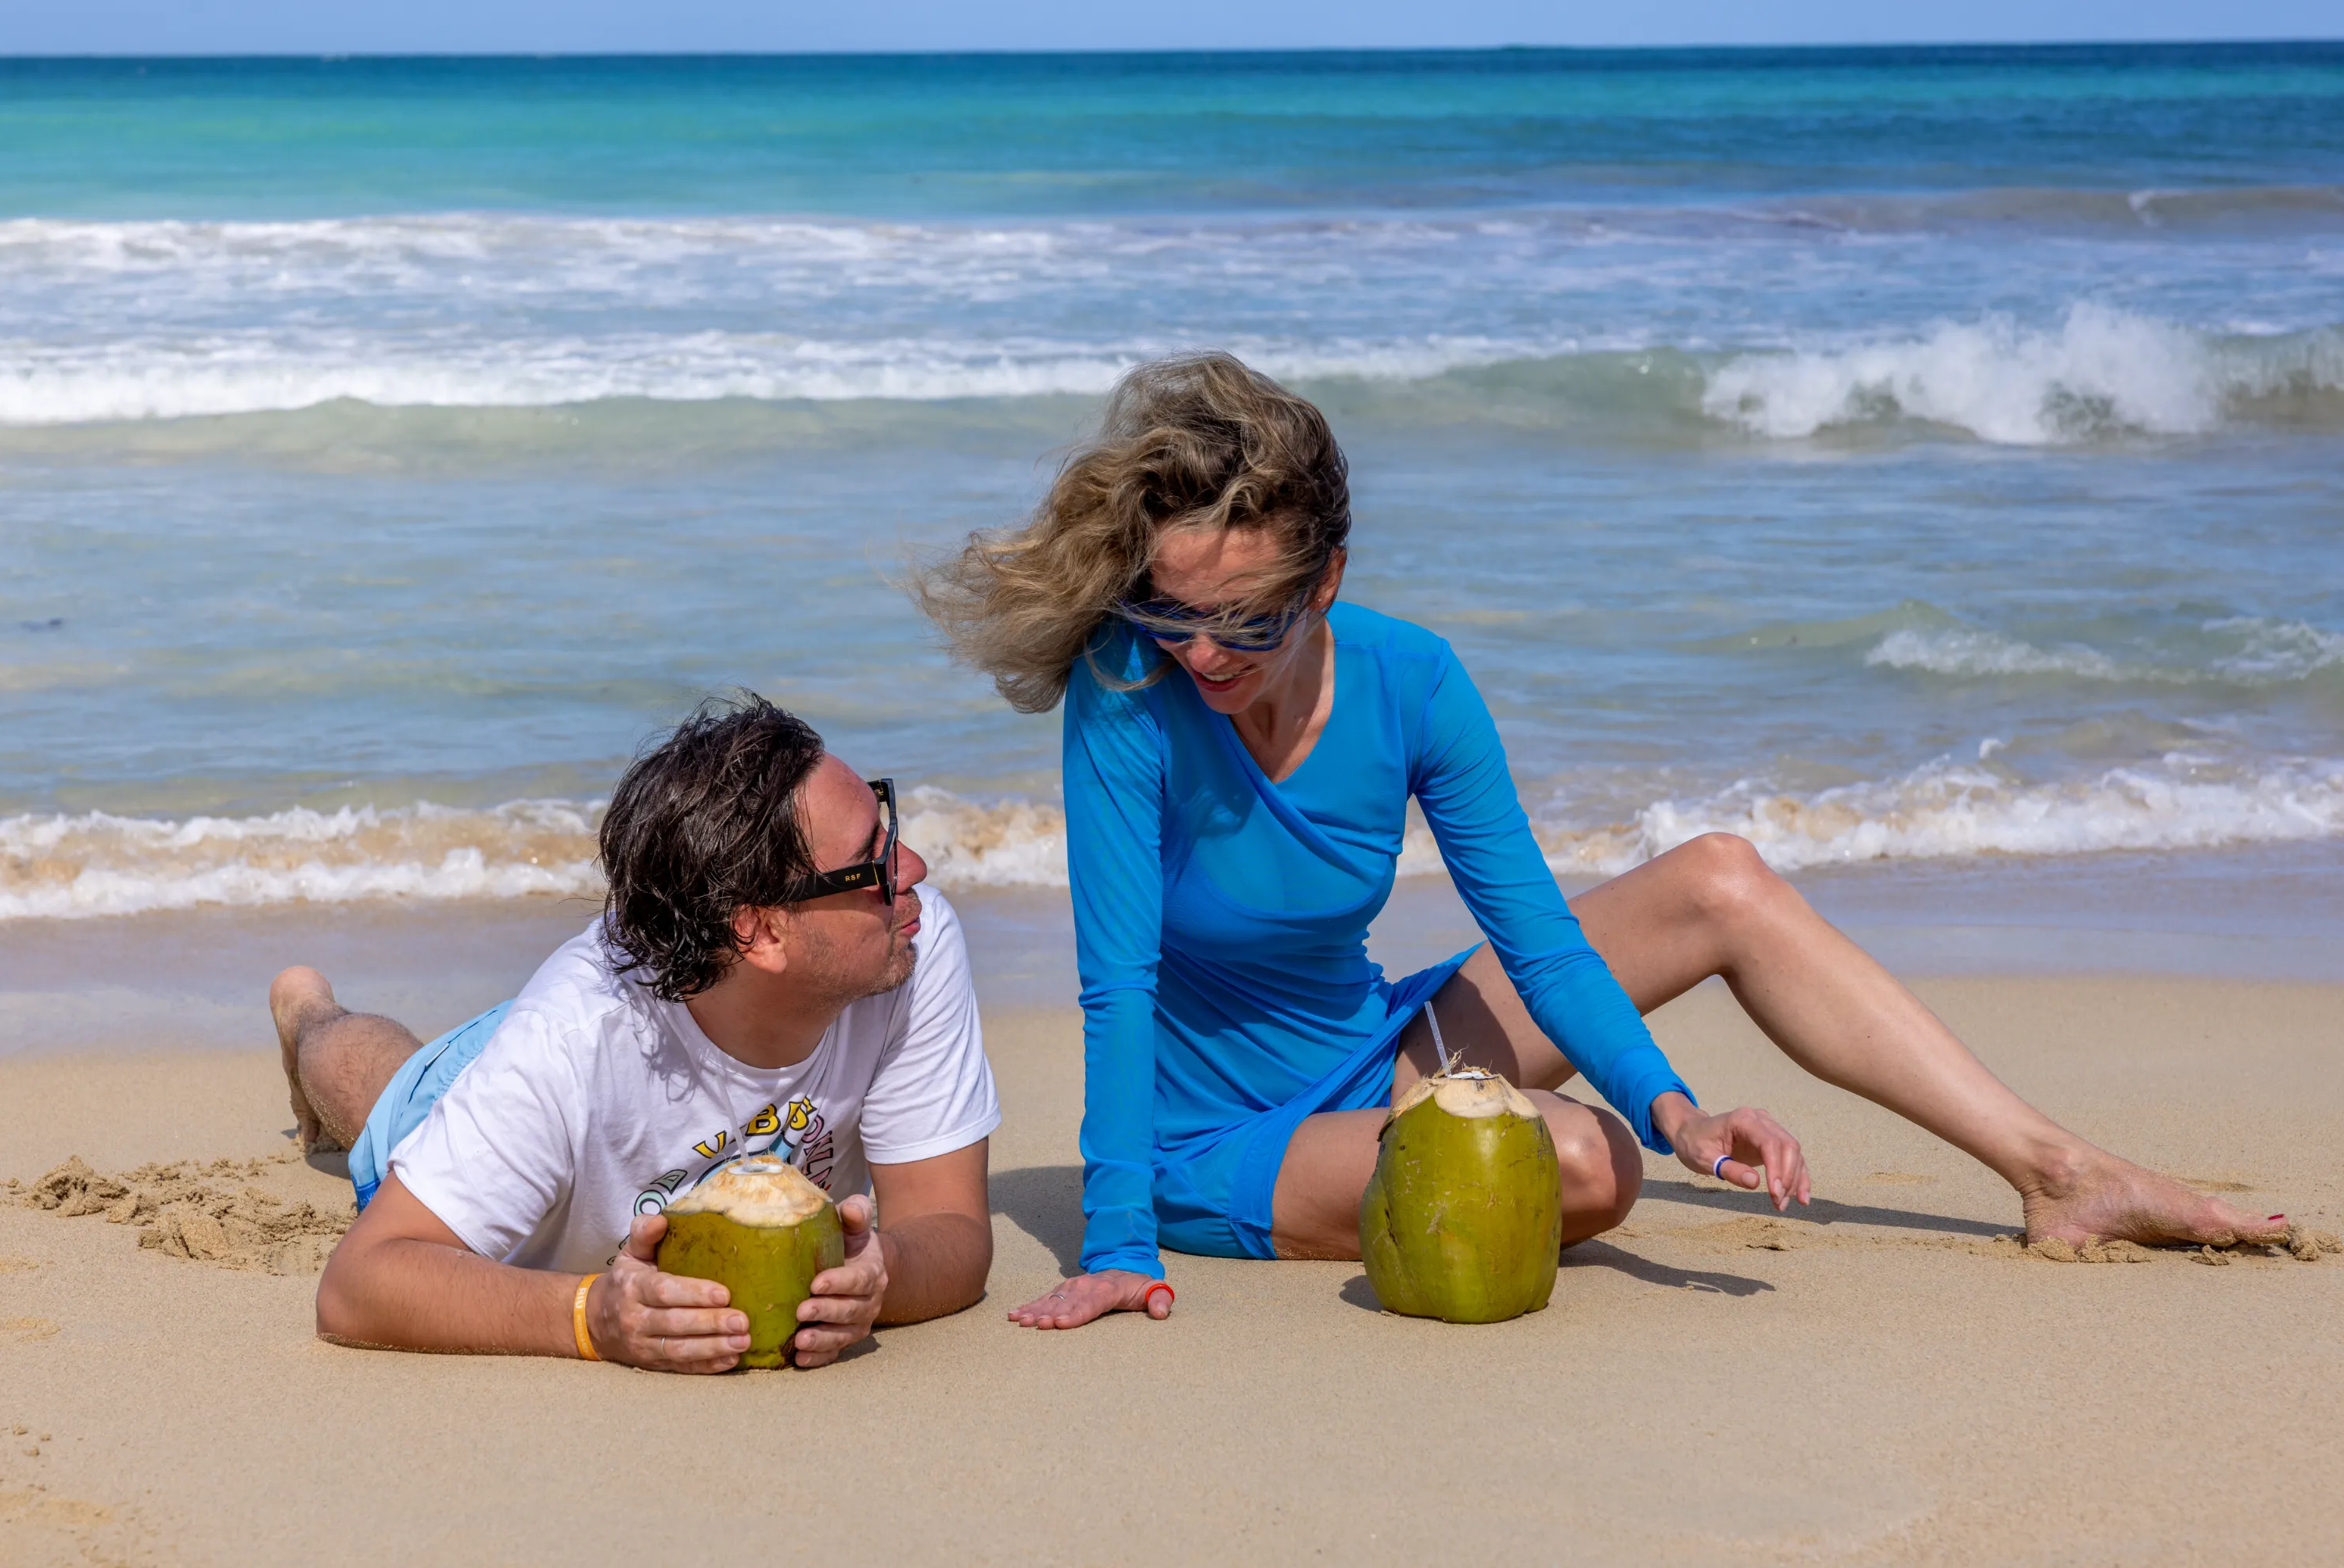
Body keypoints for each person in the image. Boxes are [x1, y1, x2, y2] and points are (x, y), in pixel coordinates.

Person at [917, 351, 2289, 1331]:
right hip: (1215, 1135)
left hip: (1376, 1047)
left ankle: (2061, 1172)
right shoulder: (1125, 688)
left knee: (1720, 878)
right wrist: (1117, 1239)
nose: (1205, 653)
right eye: (1174, 614)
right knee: (1584, 1165)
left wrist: (1675, 1107)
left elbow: (1538, 936)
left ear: (1326, 577)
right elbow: (1118, 982)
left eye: (1247, 618)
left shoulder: (1412, 680)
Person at [279, 694, 1001, 1370]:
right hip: (555, 1049)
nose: (912, 868)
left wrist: (882, 1275)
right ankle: (308, 1009)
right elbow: (356, 1284)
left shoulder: (907, 939)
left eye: (887, 823)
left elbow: (951, 1226)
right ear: (760, 931)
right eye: (871, 859)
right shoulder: (561, 1045)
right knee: (391, 1094)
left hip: (643, 1014)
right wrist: (593, 1317)